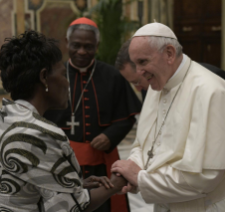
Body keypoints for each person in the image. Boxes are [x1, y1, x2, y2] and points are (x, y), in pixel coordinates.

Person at [111, 22, 225, 211]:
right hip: (169, 203)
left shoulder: (210, 91)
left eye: (143, 62)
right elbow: (144, 143)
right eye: (135, 64)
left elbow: (204, 177)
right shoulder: (157, 83)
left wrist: (141, 178)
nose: (139, 72)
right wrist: (132, 166)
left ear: (169, 53)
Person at [0, 30, 127, 212]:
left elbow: (20, 183)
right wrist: (116, 183)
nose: (67, 83)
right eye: (63, 75)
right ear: (44, 77)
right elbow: (74, 207)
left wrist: (72, 184)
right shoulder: (44, 134)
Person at [44, 17, 141, 212]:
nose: (81, 51)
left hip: (101, 165)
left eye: (88, 46)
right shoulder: (53, 76)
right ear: (67, 43)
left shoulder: (112, 76)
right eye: (76, 45)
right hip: (62, 163)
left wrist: (110, 135)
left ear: (97, 46)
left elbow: (127, 117)